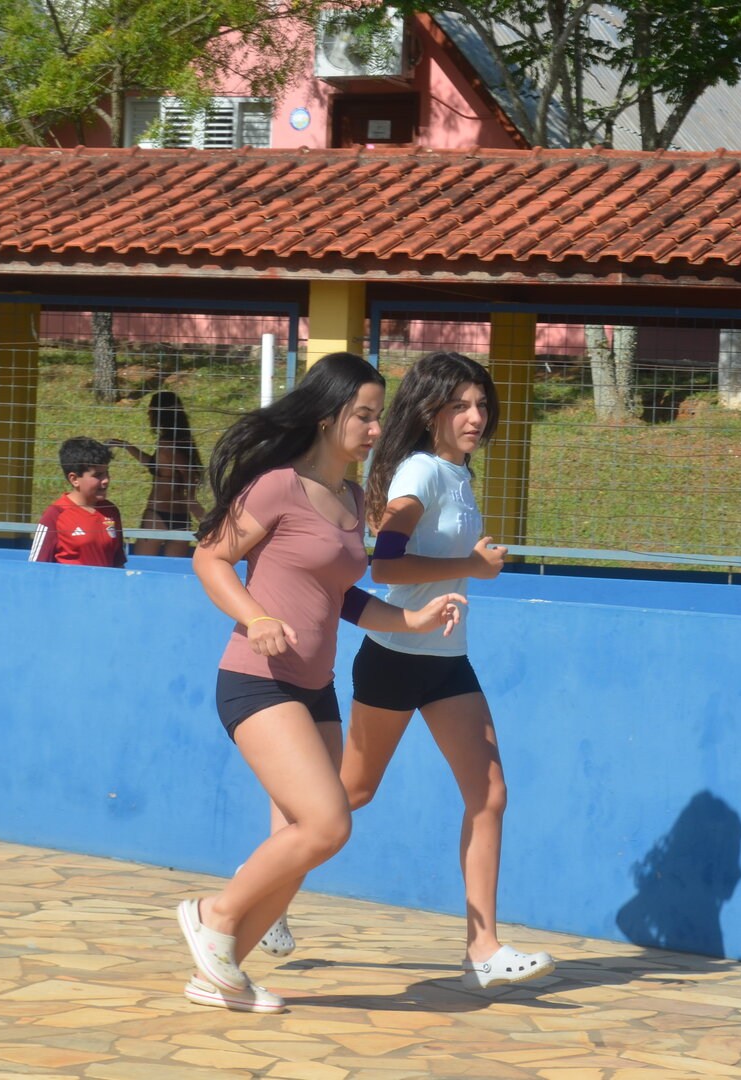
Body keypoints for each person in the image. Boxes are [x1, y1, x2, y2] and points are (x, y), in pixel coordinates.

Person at [183, 351, 465, 1013]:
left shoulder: (349, 500)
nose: (376, 429)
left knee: (302, 840)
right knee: (327, 822)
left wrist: (411, 619)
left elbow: (343, 597)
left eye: (378, 416)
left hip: (315, 688)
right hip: (257, 680)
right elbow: (210, 559)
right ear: (324, 417)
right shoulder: (275, 486)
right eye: (363, 416)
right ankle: (211, 913)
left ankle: (220, 974)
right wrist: (255, 616)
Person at [342, 350, 555, 989]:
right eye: (460, 405)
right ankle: (262, 888)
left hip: (447, 660)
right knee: (349, 794)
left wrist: (469, 565)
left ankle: (482, 951)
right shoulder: (420, 471)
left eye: (481, 404)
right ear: (429, 411)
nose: (475, 416)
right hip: (396, 656)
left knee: (489, 794)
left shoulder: (456, 473)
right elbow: (385, 563)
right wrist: (472, 567)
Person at [106, 390, 203, 557]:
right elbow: (155, 465)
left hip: (158, 515)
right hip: (181, 517)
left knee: (142, 565)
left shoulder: (166, 445)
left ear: (158, 413)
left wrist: (190, 497)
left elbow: (188, 471)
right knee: (172, 569)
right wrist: (126, 446)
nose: (148, 415)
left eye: (150, 410)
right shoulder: (183, 442)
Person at [29, 437, 128, 568]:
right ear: (74, 479)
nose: (106, 480)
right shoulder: (55, 515)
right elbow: (36, 568)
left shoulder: (111, 510)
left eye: (106, 473)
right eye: (98, 475)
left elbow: (118, 564)